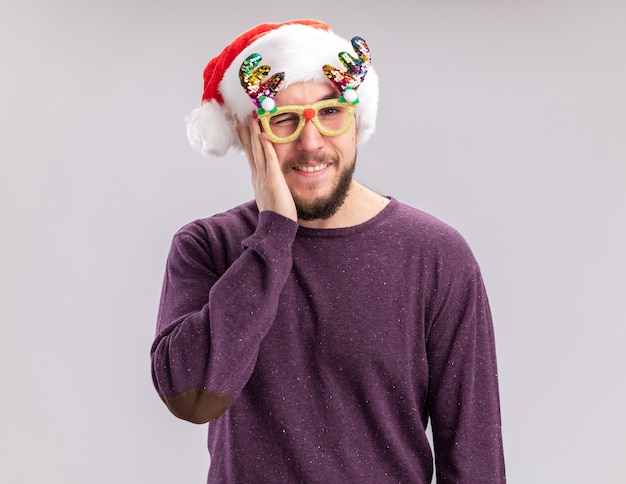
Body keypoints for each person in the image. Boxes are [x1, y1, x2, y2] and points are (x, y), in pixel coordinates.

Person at [150, 19, 506, 483]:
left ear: (356, 121)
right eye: (282, 120)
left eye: (331, 112)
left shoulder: (436, 256)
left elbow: (475, 460)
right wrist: (273, 234)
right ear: (246, 134)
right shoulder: (207, 248)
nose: (311, 142)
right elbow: (191, 396)